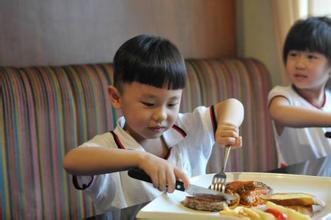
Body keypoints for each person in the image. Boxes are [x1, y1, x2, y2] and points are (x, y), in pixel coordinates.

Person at [63, 34, 244, 214]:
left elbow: (233, 104)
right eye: (149, 104)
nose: (161, 115)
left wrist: (228, 124)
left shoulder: (188, 127)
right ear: (116, 97)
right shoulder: (108, 147)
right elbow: (71, 161)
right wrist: (141, 159)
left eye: (172, 103)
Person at [268, 16, 331, 167]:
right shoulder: (282, 95)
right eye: (293, 55)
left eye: (311, 57)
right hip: (293, 184)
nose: (300, 64)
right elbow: (280, 113)